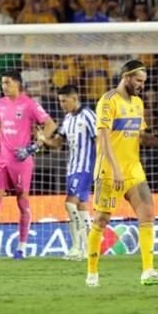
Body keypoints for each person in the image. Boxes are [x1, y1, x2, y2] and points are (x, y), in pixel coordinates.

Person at [86, 60, 158, 287]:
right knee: (102, 219)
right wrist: (115, 170)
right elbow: (103, 138)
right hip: (109, 170)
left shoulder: (137, 103)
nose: (141, 85)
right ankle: (92, 273)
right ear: (126, 76)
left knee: (147, 213)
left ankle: (148, 271)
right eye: (138, 80)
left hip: (133, 168)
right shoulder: (108, 101)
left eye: (144, 82)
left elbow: (139, 136)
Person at [0, 69, 57, 260]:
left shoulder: (30, 104)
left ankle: (21, 248)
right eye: (2, 83)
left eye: (7, 83)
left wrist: (34, 147)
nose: (3, 86)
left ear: (17, 83)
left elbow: (50, 125)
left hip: (22, 161)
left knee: (22, 203)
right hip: (1, 161)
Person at [41, 85, 96, 260]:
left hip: (85, 166)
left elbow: (100, 138)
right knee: (80, 206)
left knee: (69, 204)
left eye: (64, 101)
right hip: (72, 168)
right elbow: (58, 143)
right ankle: (88, 248)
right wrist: (44, 139)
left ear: (74, 98)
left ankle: (77, 247)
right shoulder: (67, 119)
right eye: (60, 101)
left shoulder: (88, 115)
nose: (62, 104)